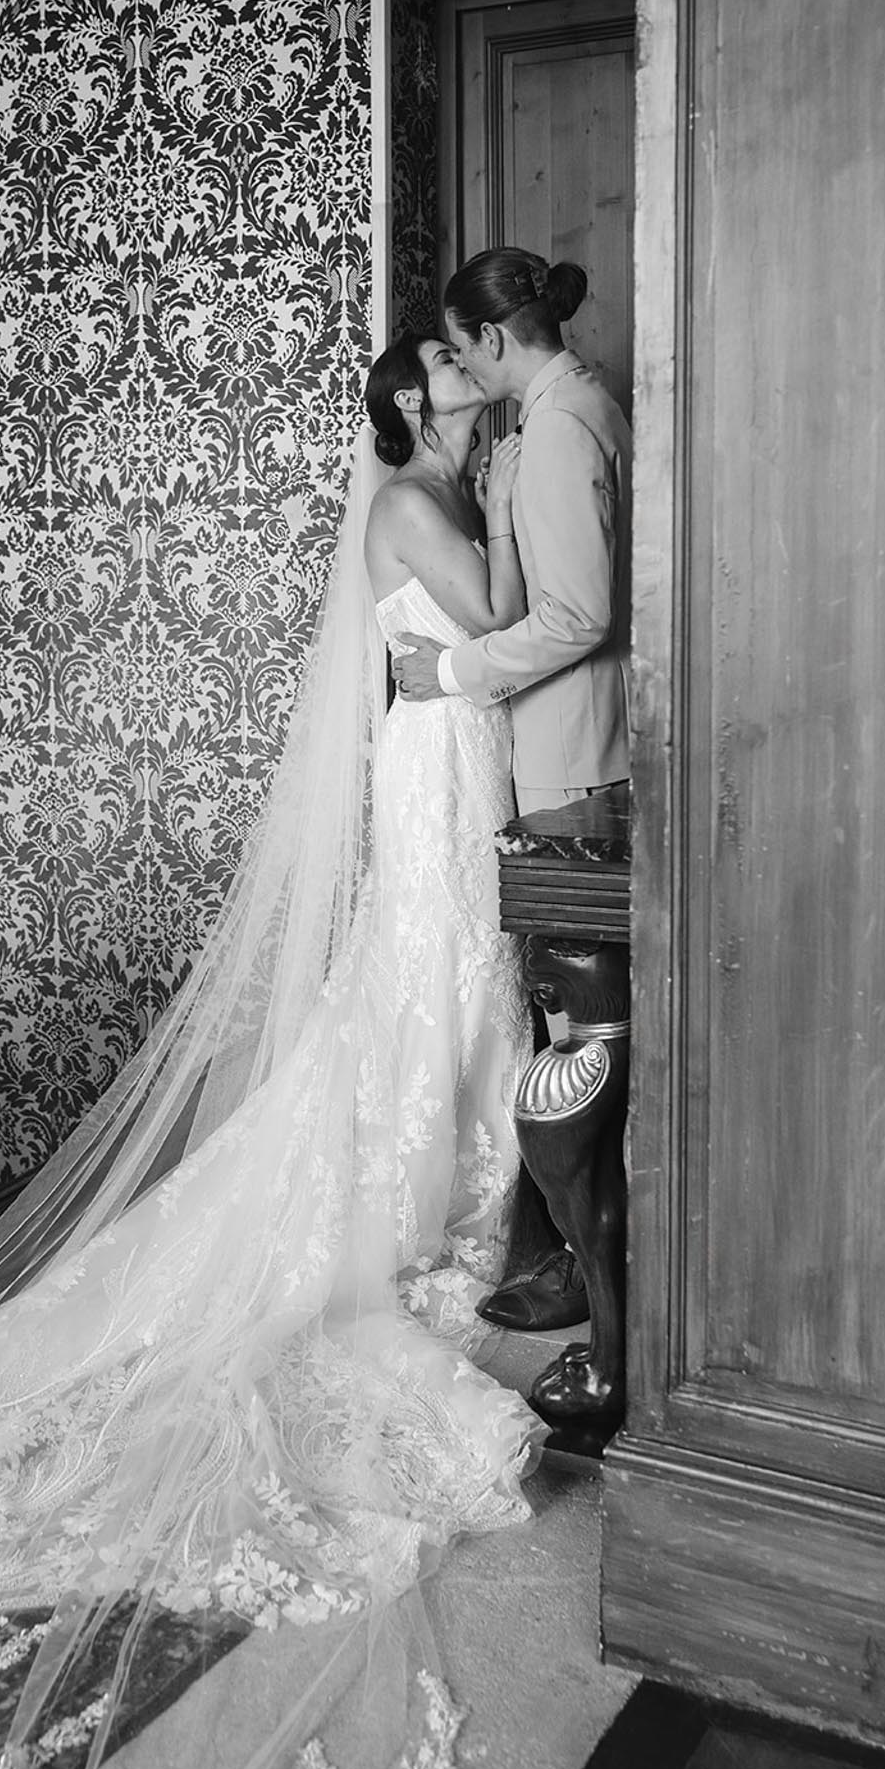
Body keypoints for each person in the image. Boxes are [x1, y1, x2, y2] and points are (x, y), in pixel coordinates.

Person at [0, 333, 550, 1769]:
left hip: (446, 751)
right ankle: (447, 1184)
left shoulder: (433, 485)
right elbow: (496, 629)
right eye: (460, 373)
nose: (480, 386)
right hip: (437, 763)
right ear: (416, 403)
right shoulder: (417, 499)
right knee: (436, 972)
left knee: (458, 979)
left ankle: (472, 1167)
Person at [392, 247, 632, 1343]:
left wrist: (450, 673)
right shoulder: (564, 413)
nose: (458, 364)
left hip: (568, 751)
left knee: (582, 1025)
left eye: (458, 342)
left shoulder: (560, 424)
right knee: (567, 1014)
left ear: (491, 340)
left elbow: (573, 614)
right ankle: (569, 1251)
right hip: (532, 749)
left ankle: (587, 1267)